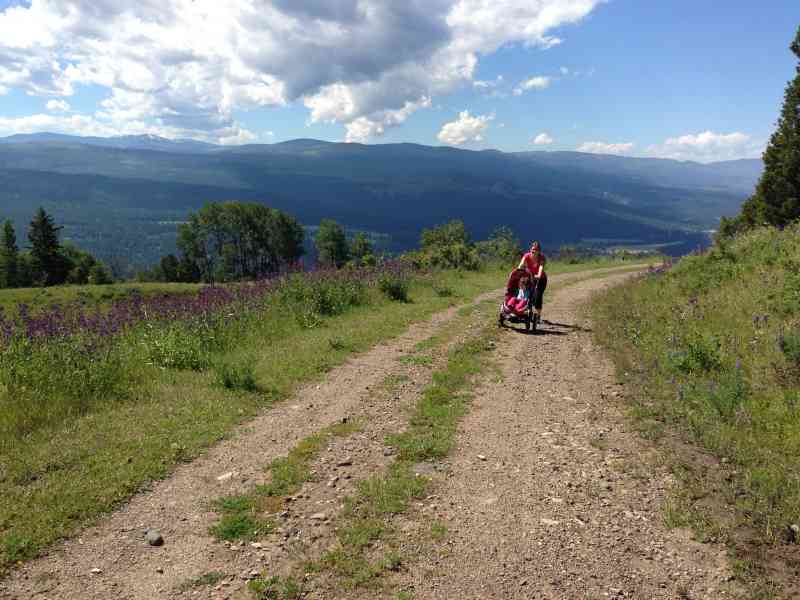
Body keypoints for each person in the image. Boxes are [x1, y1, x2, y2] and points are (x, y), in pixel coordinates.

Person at [517, 241, 547, 320]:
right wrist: (518, 270)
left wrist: (539, 275)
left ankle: (538, 315)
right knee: (527, 295)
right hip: (530, 278)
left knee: (538, 296)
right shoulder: (526, 256)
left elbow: (541, 267)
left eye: (535, 250)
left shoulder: (542, 257)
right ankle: (527, 311)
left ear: (539, 251)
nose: (533, 251)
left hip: (541, 279)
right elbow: (521, 264)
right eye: (532, 249)